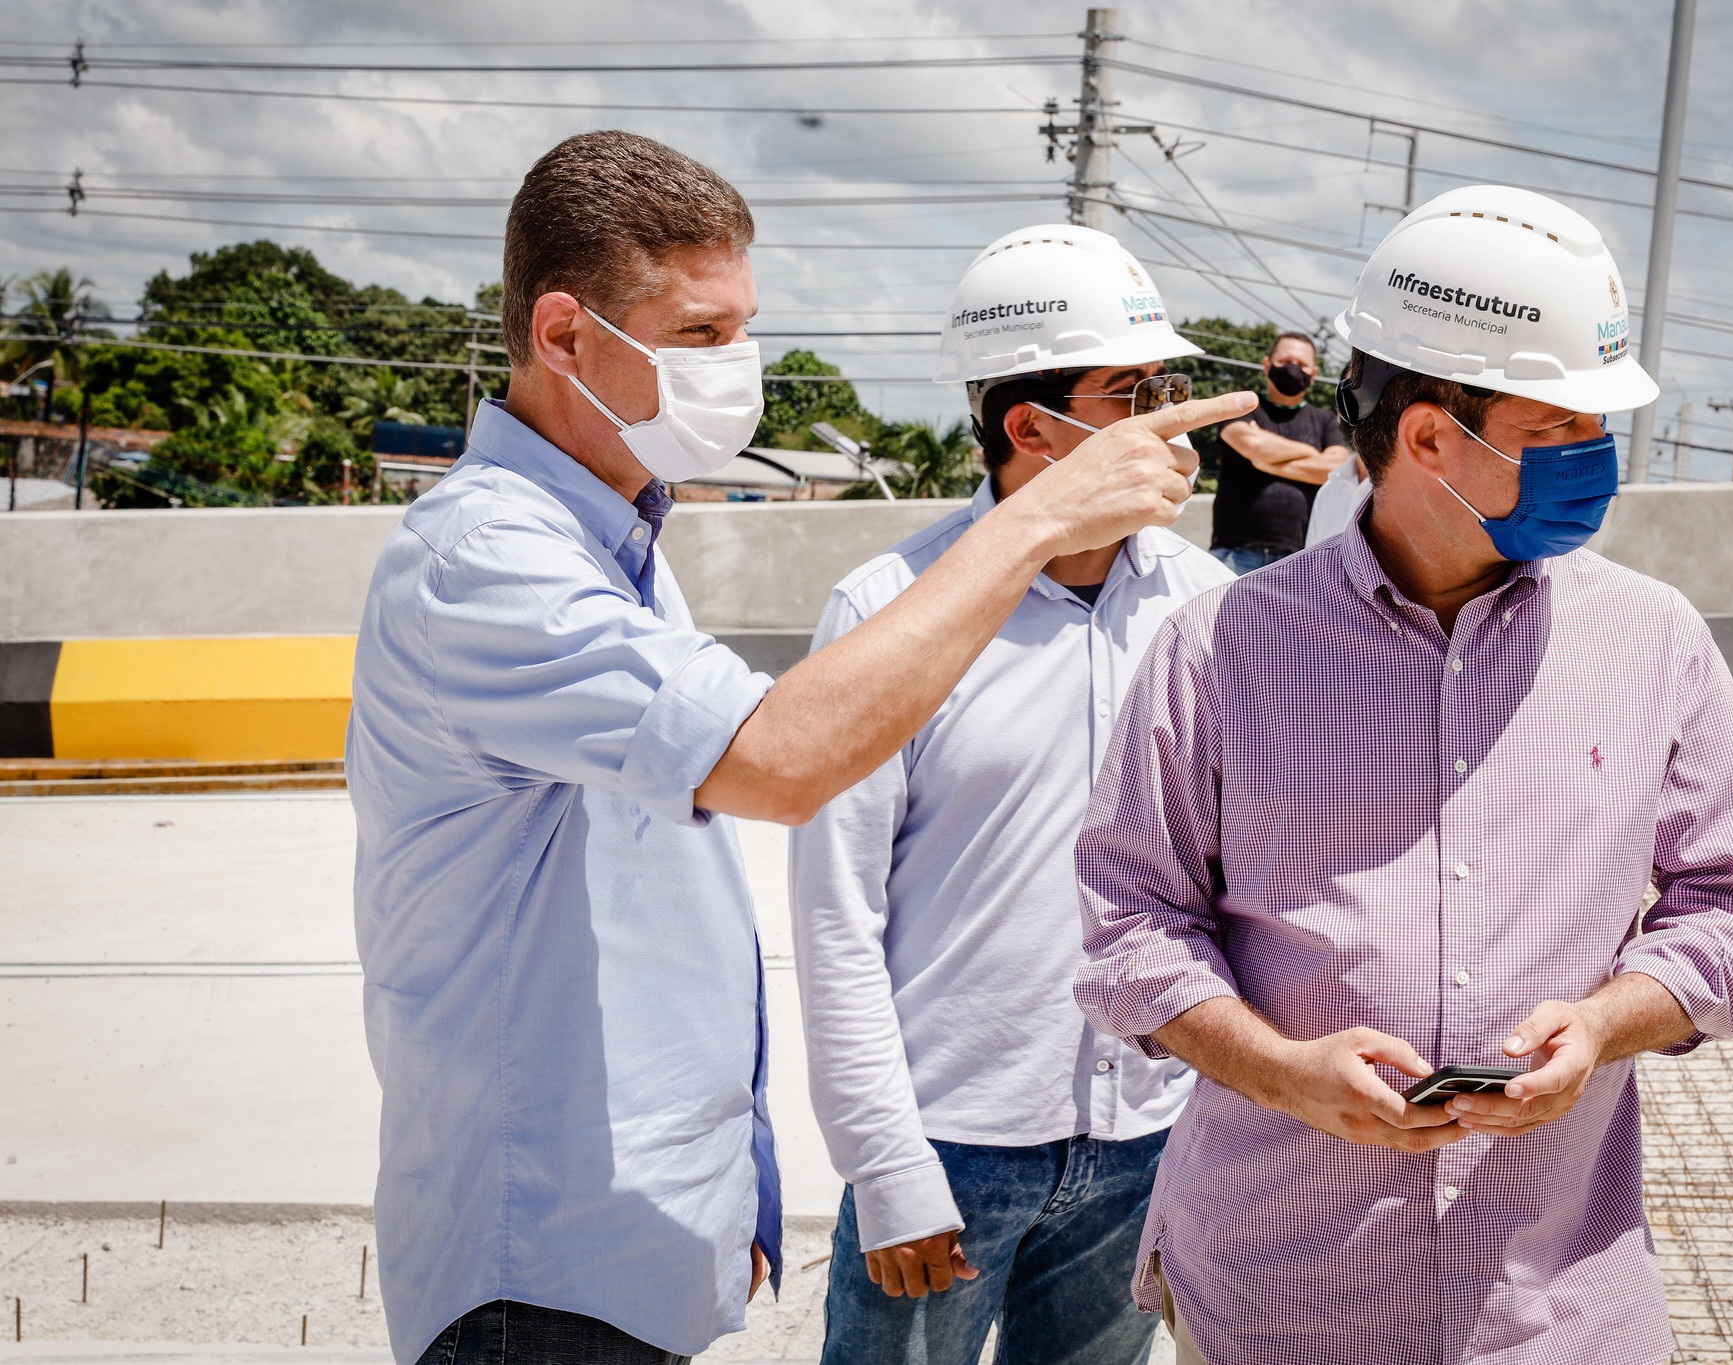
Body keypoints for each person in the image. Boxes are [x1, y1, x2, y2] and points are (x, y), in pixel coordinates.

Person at [346, 132, 1251, 1365]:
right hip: (536, 1269)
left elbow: (652, 907)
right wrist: (1039, 520)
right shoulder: (487, 565)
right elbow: (782, 767)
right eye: (702, 336)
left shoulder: (614, 551)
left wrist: (737, 1164)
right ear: (563, 337)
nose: (741, 370)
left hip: (625, 1235)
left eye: (743, 330)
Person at [1072, 186, 1733, 1364]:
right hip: (1278, 1297)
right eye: (1559, 429)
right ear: (1425, 438)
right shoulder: (1218, 650)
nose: (1596, 461)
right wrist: (1283, 1073)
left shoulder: (1651, 639)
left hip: (1554, 1307)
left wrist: (1606, 1027)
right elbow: (1130, 928)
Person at [789, 225, 1236, 1365]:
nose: (1163, 421)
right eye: (1131, 392)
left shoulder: (1201, 604)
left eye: (1162, 386)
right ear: (1031, 429)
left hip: (1143, 1137)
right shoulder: (888, 609)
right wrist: (884, 1168)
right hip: (946, 1151)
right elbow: (837, 915)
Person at [1207, 331, 1350, 572]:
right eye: (1285, 362)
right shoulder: (1243, 406)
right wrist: (1312, 453)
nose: (1293, 369)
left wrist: (1265, 462)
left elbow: (1335, 468)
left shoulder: (1324, 420)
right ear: (1267, 365)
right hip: (1233, 552)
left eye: (1302, 365)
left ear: (1314, 374)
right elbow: (1253, 445)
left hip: (1300, 556)